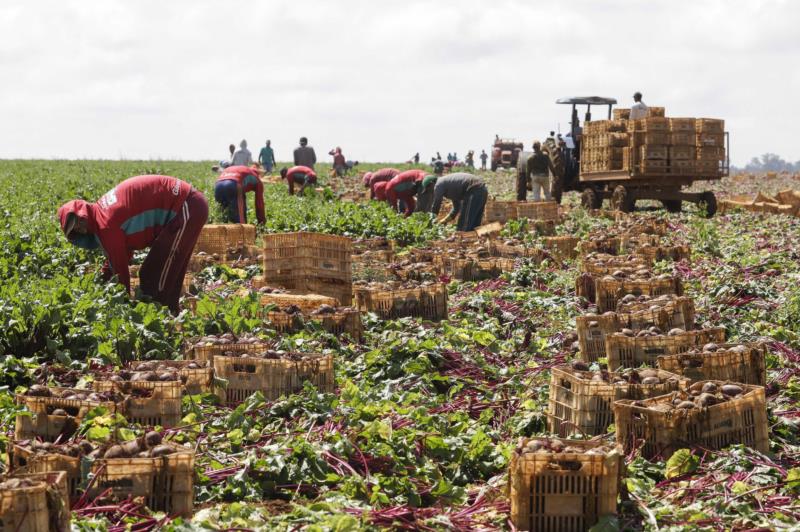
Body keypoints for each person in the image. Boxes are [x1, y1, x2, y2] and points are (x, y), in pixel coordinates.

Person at [57, 175, 208, 314]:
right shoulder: (101, 212)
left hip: (187, 205)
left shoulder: (106, 226)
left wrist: (123, 306)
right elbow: (122, 255)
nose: (80, 228)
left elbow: (120, 272)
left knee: (155, 278)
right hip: (187, 205)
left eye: (79, 222)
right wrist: (103, 278)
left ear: (83, 214)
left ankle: (162, 319)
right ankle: (172, 314)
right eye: (76, 229)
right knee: (165, 271)